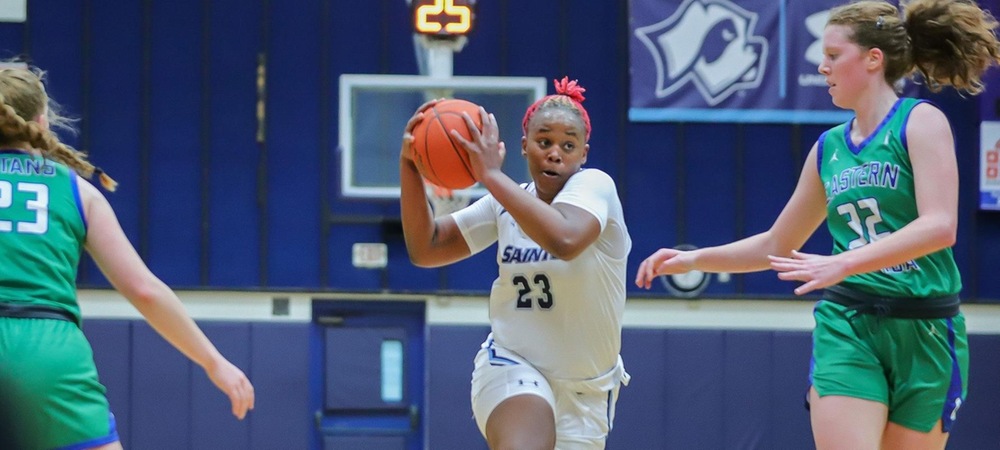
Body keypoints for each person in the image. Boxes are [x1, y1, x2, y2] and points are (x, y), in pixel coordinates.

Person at [636, 1, 1000, 448]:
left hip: (925, 329)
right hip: (850, 322)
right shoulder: (828, 149)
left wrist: (844, 262)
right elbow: (776, 243)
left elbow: (940, 226)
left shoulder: (920, 122)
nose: (821, 65)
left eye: (832, 54)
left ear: (872, 59)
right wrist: (693, 258)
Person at [0, 63, 255, 449]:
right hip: (46, 353)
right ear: (41, 122)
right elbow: (144, 289)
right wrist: (212, 361)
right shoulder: (77, 192)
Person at [399, 77, 631, 449]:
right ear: (524, 146)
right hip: (511, 363)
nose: (555, 153)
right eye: (544, 142)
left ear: (583, 154)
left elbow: (565, 239)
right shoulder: (504, 202)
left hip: (586, 392)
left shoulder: (596, 187)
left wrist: (490, 176)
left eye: (568, 145)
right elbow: (426, 248)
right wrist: (411, 167)